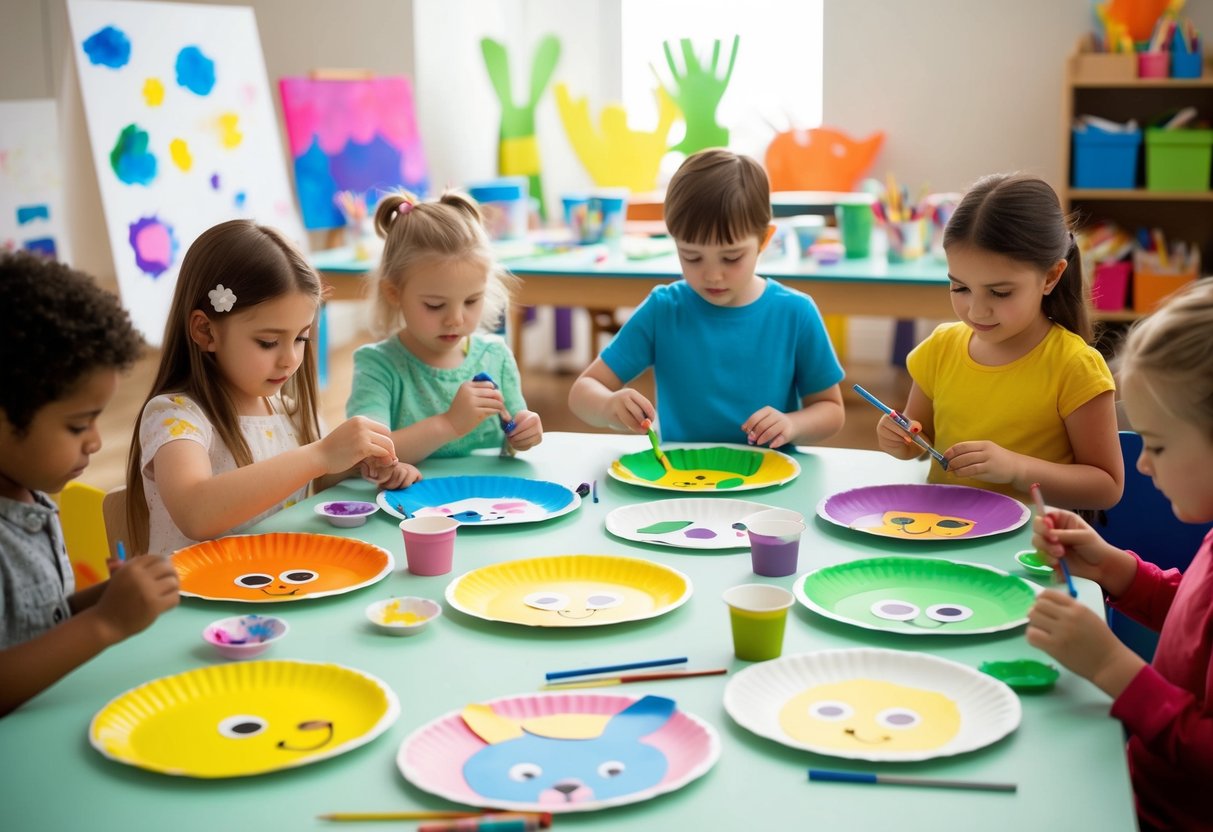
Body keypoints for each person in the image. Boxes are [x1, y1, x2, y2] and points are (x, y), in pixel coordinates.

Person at [1027, 278, 1213, 831]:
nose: (1144, 465)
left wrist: (1110, 666)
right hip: (1135, 788)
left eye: (1155, 444)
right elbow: (1195, 616)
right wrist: (1113, 568)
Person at [126, 220, 418, 555]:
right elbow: (196, 513)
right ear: (206, 331)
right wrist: (321, 454)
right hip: (193, 600)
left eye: (301, 338)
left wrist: (355, 464)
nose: (289, 359)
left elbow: (307, 478)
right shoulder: (175, 416)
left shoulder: (284, 408)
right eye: (268, 342)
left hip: (271, 582)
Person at [0, 252, 179, 717]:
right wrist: (105, 623)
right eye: (79, 426)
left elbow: (36, 627)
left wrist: (102, 599)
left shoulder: (30, 496)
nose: (96, 442)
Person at [875, 173, 1123, 509]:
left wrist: (1016, 468)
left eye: (1000, 292)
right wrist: (900, 438)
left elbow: (1106, 487)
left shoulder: (1074, 366)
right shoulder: (941, 347)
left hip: (1027, 547)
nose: (976, 310)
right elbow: (920, 440)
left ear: (1050, 277)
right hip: (943, 529)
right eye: (960, 287)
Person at [568, 148, 845, 448]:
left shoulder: (795, 313)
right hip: (682, 483)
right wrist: (608, 406)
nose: (712, 275)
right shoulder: (664, 310)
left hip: (770, 479)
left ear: (764, 239)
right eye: (692, 257)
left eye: (731, 257)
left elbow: (832, 411)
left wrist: (793, 424)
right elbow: (582, 391)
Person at [346, 191, 542, 463]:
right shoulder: (378, 366)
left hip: (490, 500)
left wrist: (524, 433)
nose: (456, 320)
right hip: (406, 502)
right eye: (435, 305)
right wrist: (449, 425)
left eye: (472, 301)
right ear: (394, 293)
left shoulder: (495, 357)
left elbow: (515, 429)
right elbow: (366, 453)